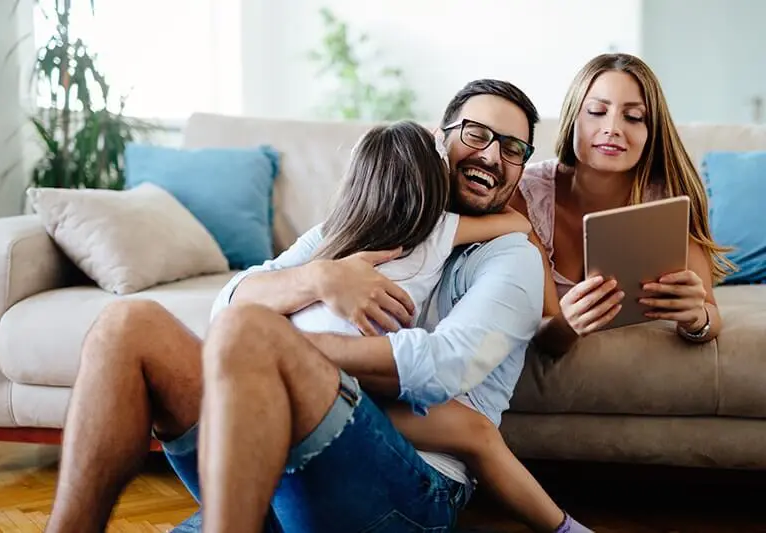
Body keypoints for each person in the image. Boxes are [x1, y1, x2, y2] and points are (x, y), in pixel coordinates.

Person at [42, 79, 558, 533]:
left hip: (412, 486)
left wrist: (282, 351)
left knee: (251, 335)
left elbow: (449, 366)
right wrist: (319, 277)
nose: (492, 156)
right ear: (441, 140)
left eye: (513, 149)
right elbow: (230, 304)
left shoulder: (513, 256)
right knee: (126, 324)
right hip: (280, 446)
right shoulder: (364, 224)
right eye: (477, 134)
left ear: (522, 166)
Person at [511, 53, 734, 356]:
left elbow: (710, 315)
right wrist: (567, 325)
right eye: (596, 111)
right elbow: (545, 339)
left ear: (651, 131)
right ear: (572, 118)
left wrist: (696, 317)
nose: (612, 128)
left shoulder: (667, 201)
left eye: (633, 117)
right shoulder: (525, 194)